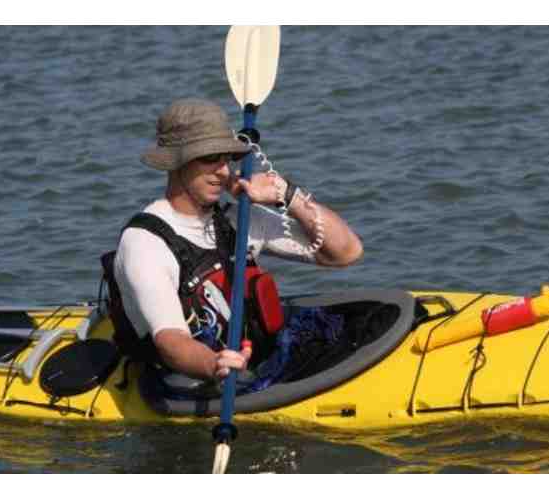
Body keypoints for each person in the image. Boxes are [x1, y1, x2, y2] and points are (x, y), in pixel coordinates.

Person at [109, 98, 363, 385]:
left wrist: (285, 194)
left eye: (226, 158)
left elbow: (347, 252)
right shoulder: (145, 244)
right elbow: (171, 341)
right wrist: (214, 364)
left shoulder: (236, 219)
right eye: (209, 158)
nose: (223, 171)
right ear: (176, 163)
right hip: (190, 383)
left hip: (257, 365)